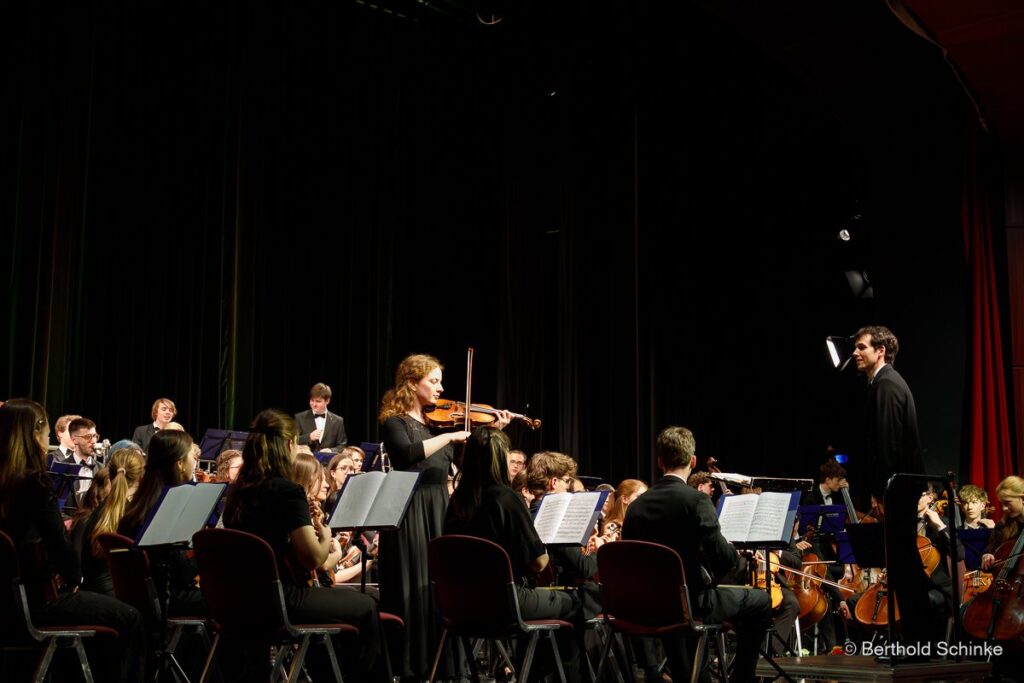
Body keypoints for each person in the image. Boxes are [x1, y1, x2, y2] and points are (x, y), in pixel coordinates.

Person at [223, 409, 386, 682]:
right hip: (282, 600)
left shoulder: (238, 492)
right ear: (288, 445)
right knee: (367, 607)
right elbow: (312, 559)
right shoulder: (287, 491)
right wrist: (326, 535)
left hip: (241, 600)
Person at [377, 353, 509, 681]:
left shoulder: (438, 422)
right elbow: (405, 456)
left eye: (440, 381)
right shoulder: (395, 422)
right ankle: (409, 665)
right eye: (433, 381)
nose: (441, 388)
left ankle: (444, 665)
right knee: (413, 583)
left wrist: (488, 432)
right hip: (408, 508)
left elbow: (465, 463)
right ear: (411, 383)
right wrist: (450, 437)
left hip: (438, 506)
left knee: (438, 585)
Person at [0, 399, 146, 682]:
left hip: (5, 608)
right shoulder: (36, 484)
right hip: (33, 606)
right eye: (44, 433)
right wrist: (73, 576)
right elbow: (66, 561)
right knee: (131, 618)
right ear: (35, 434)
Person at [623, 426, 772, 682]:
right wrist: (733, 557)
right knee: (760, 601)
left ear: (659, 461)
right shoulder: (696, 501)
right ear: (692, 461)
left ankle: (691, 673)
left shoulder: (636, 506)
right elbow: (724, 557)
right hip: (691, 603)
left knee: (684, 599)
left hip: (648, 604)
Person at [444, 428, 581, 678]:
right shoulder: (506, 498)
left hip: (460, 605)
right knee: (576, 603)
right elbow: (539, 563)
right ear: (498, 459)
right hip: (503, 604)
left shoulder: (456, 501)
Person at [852, 325, 929, 649]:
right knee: (902, 566)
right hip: (900, 487)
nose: (856, 353)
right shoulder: (885, 383)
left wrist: (880, 492)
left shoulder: (885, 385)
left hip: (896, 488)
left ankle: (920, 643)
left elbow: (885, 444)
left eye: (862, 347)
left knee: (904, 565)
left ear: (880, 350)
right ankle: (917, 641)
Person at [118, 430, 204, 617]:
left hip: (141, 601)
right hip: (168, 600)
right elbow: (182, 572)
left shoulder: (140, 505)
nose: (195, 461)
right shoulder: (168, 509)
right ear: (180, 463)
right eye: (192, 455)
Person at [76, 446, 146, 595]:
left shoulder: (98, 510)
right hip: (119, 597)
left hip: (94, 592)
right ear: (141, 477)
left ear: (110, 475)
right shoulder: (135, 515)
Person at [295, 383, 348, 452]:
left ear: (327, 401)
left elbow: (342, 445)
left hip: (328, 461)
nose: (314, 404)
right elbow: (293, 441)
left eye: (318, 401)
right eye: (312, 400)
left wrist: (331, 450)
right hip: (307, 461)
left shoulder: (338, 421)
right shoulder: (299, 417)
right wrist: (309, 437)